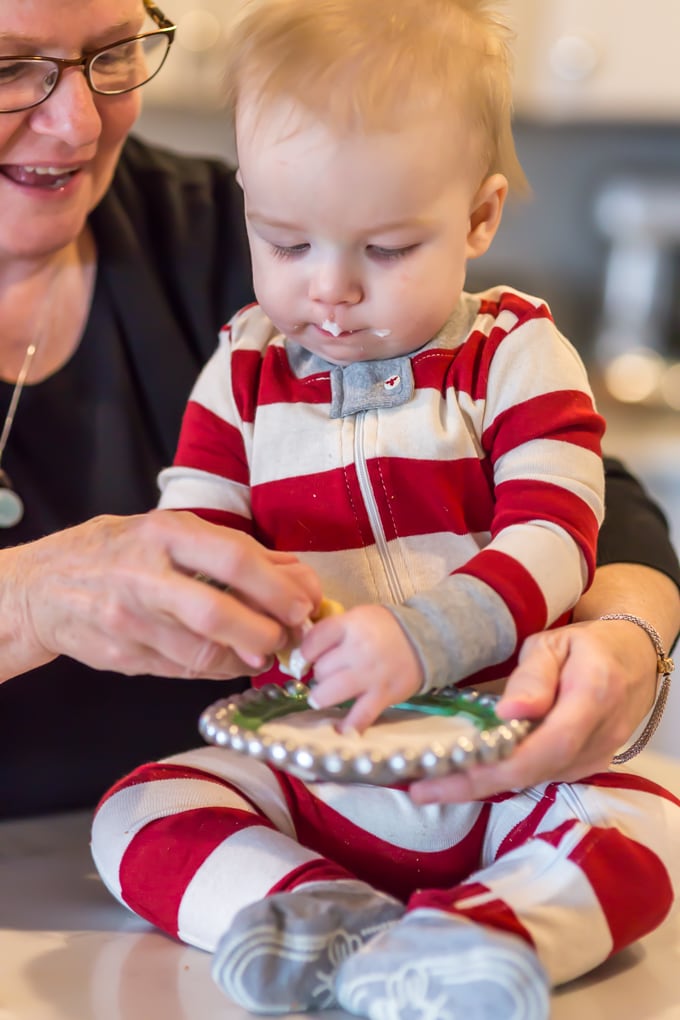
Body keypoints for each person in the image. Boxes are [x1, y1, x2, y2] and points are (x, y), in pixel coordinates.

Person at [90, 2, 680, 1019]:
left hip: (493, 761)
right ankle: (320, 914)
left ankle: (481, 934)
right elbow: (192, 531)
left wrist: (421, 638)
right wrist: (211, 586)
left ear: (479, 218)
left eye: (388, 249)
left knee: (652, 816)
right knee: (138, 810)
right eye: (283, 240)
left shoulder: (510, 355)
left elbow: (555, 534)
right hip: (306, 772)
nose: (329, 289)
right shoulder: (241, 373)